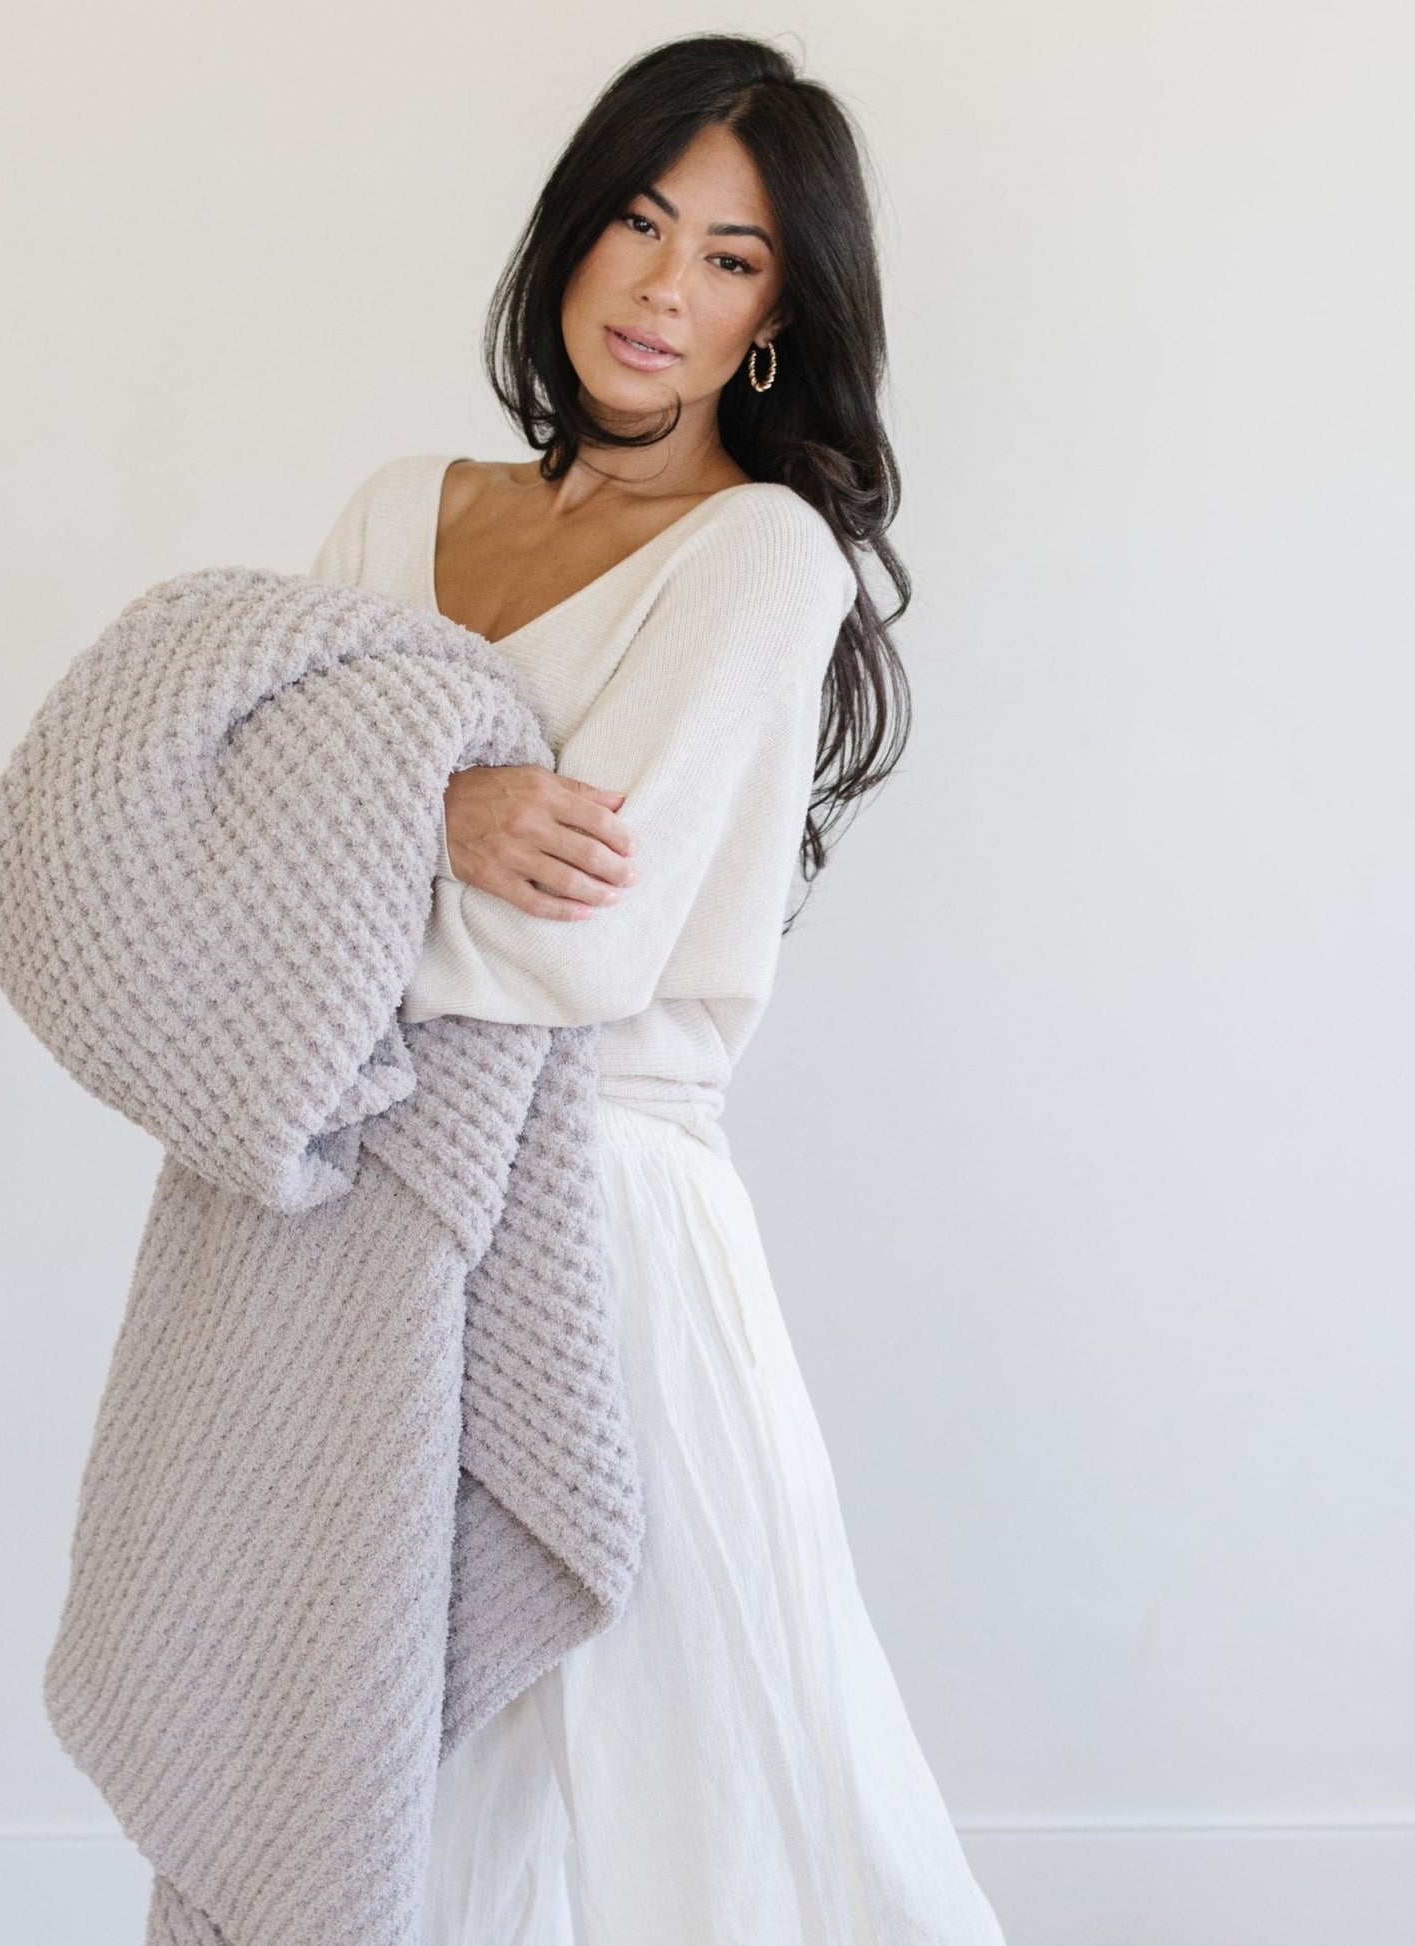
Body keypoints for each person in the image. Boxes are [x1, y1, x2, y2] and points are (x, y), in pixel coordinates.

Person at [308, 34, 1007, 1946]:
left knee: (682, 1780)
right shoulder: (395, 517)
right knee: (388, 1775)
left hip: (601, 1229)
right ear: (571, 232)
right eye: (637, 220)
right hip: (361, 1219)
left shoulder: (759, 558)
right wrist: (438, 806)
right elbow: (227, 834)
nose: (661, 288)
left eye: (729, 257)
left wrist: (335, 877)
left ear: (777, 317)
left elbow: (568, 950)